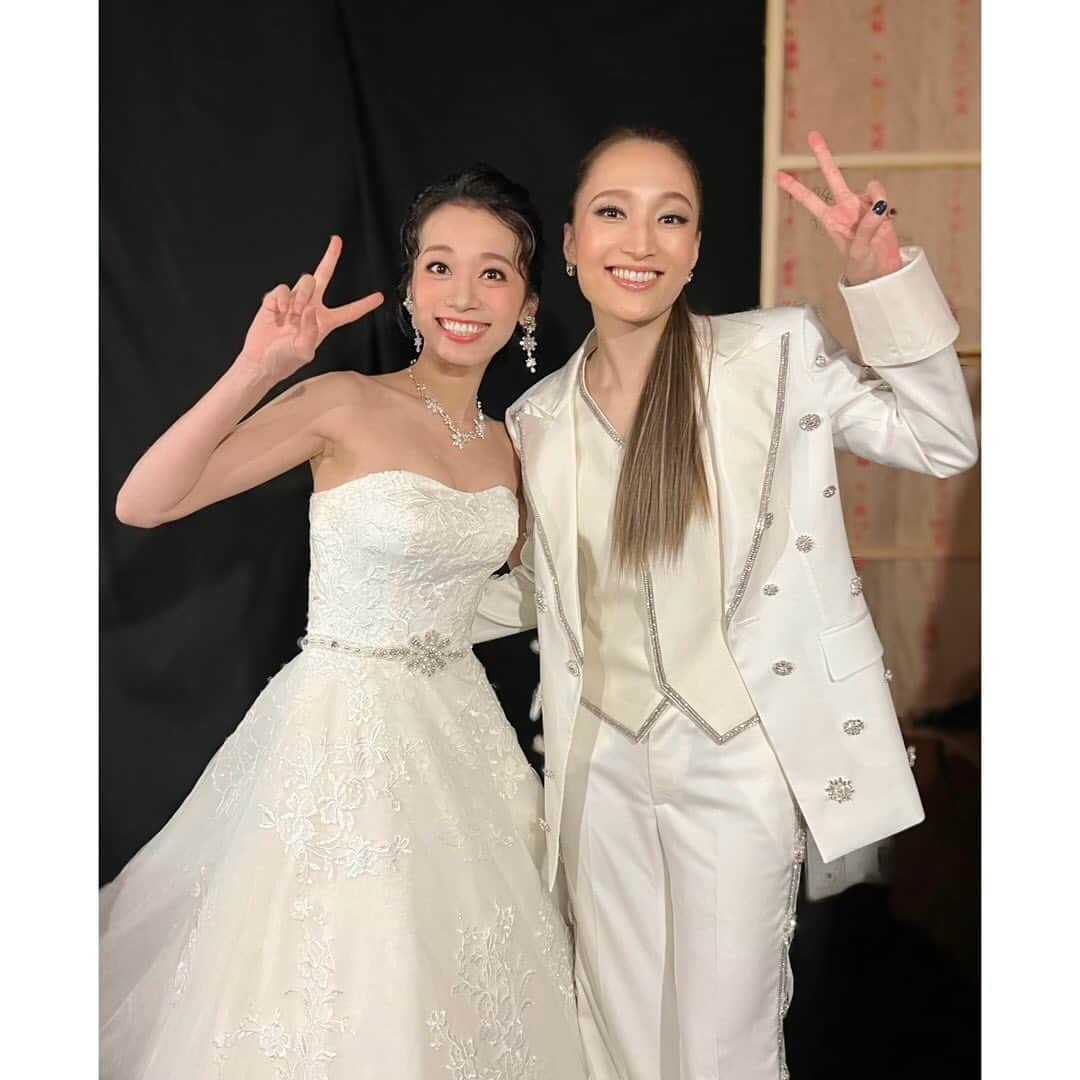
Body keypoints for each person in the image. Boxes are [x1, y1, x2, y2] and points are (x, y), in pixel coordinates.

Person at [473, 128, 978, 1080]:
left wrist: (881, 283)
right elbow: (548, 594)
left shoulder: (773, 355)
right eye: (613, 213)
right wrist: (395, 621)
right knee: (612, 1040)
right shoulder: (536, 419)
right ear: (571, 243)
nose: (642, 241)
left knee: (723, 1048)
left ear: (696, 248)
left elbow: (940, 438)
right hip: (599, 769)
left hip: (741, 756)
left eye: (671, 219)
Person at [100, 165, 589, 1080]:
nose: (463, 295)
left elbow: (544, 594)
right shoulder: (344, 403)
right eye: (439, 267)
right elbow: (144, 502)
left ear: (526, 303)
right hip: (339, 728)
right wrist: (258, 369)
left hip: (462, 736)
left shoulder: (516, 445)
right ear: (409, 288)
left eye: (493, 273)